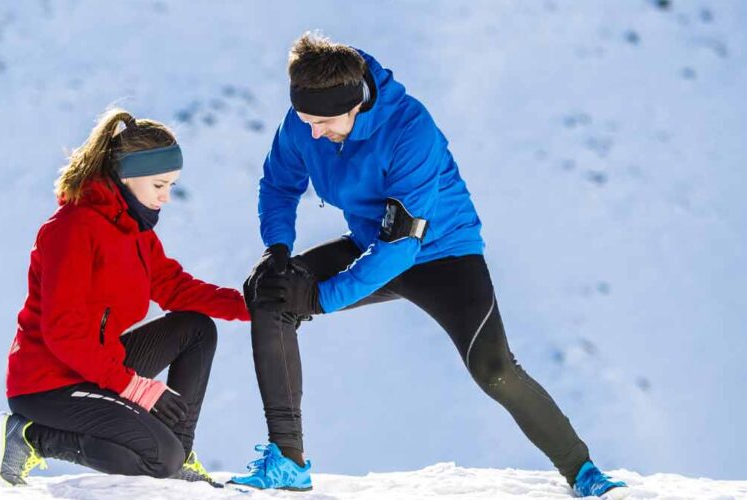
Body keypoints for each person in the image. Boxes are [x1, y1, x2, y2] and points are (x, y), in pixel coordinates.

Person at [230, 32, 628, 498]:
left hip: (442, 254)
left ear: (356, 102)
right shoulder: (307, 121)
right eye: (305, 120)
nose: (313, 131)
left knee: (494, 369)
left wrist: (320, 296)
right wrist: (276, 250)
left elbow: (402, 246)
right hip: (370, 243)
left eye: (324, 121)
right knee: (271, 294)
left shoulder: (410, 130)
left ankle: (582, 471)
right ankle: (288, 461)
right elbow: (279, 185)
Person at [0, 108, 250, 488]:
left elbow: (173, 287)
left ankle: (179, 452)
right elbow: (64, 333)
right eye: (159, 185)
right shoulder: (71, 229)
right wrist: (135, 387)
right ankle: (32, 435)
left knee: (196, 328)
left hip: (95, 366)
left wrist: (254, 307)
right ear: (127, 175)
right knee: (157, 457)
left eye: (171, 187)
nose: (165, 197)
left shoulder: (133, 227)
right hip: (49, 385)